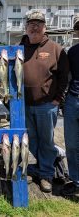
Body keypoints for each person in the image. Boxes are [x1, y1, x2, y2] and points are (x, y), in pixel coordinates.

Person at [20, 11, 69, 193]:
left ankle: (47, 174)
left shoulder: (55, 48)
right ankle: (42, 167)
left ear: (45, 27)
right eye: (31, 23)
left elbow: (64, 76)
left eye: (38, 23)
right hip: (24, 105)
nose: (34, 26)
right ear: (26, 27)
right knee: (31, 139)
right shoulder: (19, 48)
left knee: (47, 141)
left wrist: (58, 99)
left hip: (47, 105)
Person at [62, 14, 79, 196]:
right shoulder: (72, 52)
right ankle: (76, 180)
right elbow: (67, 77)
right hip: (73, 100)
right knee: (72, 144)